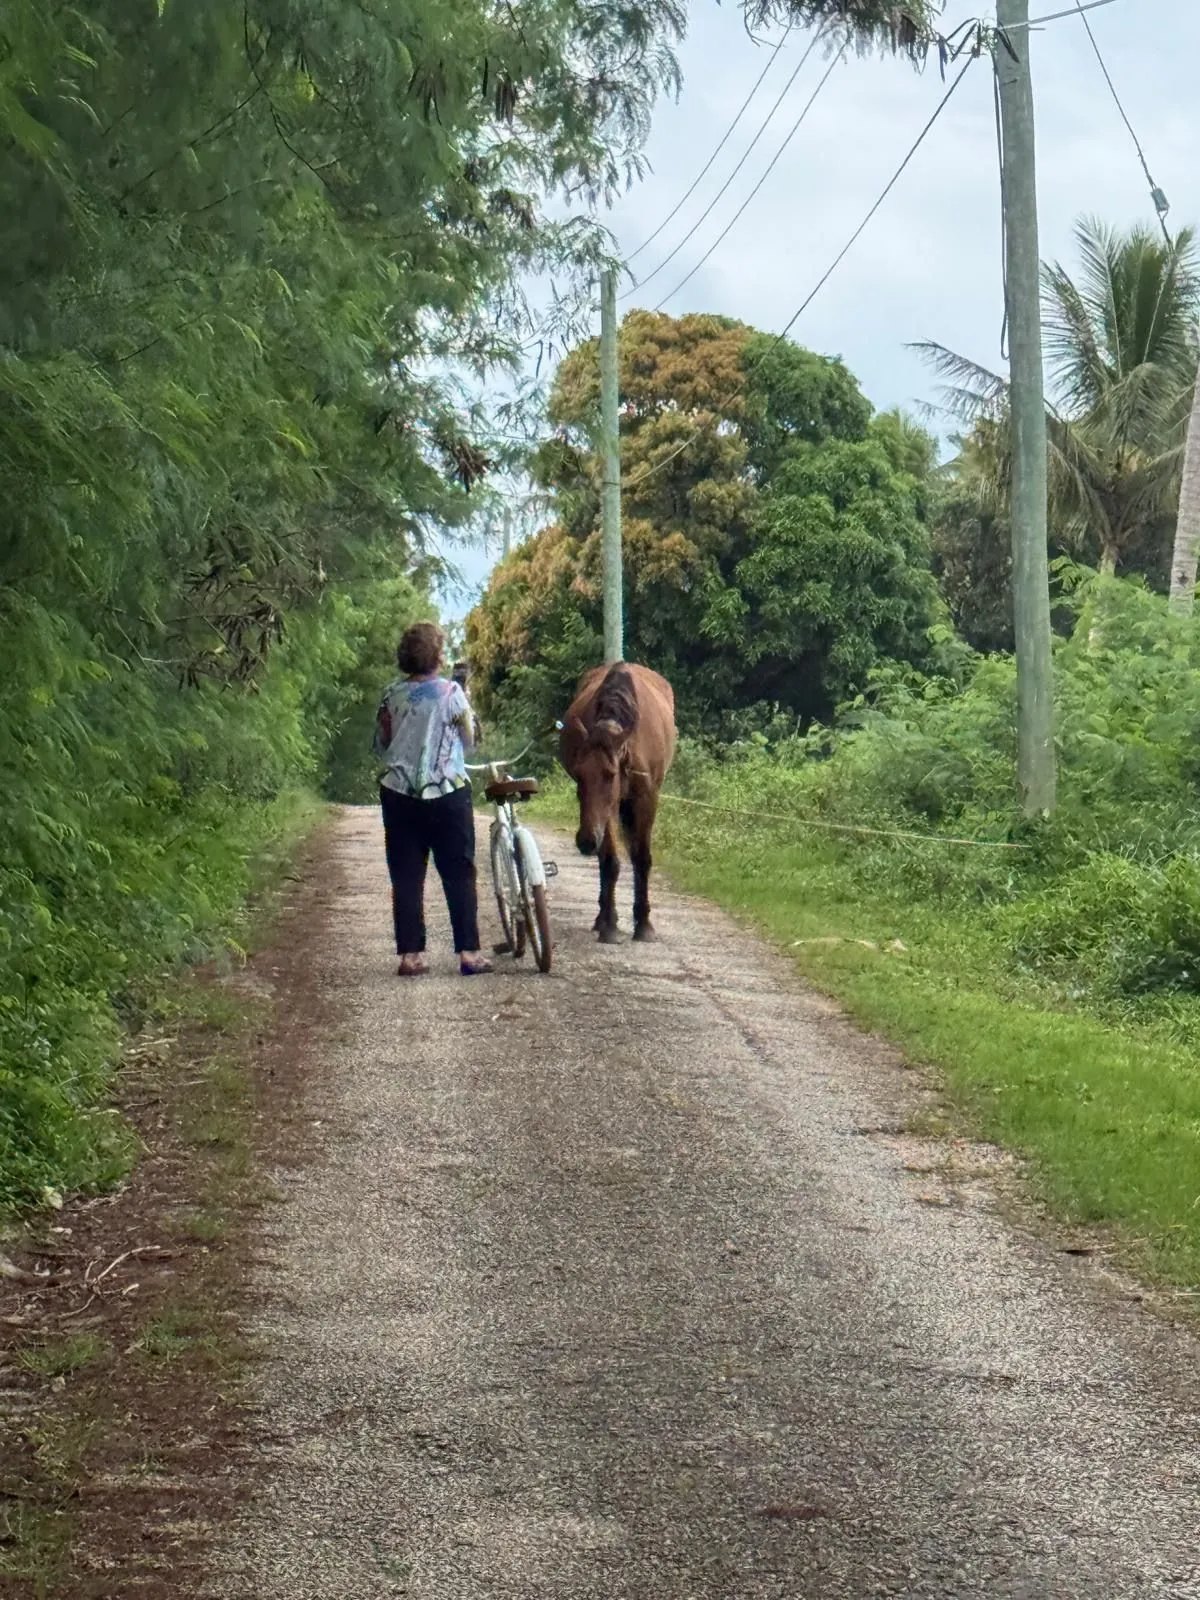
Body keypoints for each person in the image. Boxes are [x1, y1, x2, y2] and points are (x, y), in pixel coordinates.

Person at [373, 623, 492, 976]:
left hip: (399, 793)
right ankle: (468, 954)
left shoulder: (390, 695)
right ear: (437, 657)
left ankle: (411, 956)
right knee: (458, 872)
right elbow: (470, 741)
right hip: (448, 793)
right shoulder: (452, 693)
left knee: (407, 875)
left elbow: (380, 744)